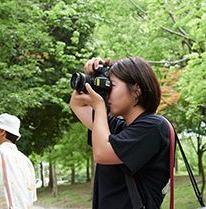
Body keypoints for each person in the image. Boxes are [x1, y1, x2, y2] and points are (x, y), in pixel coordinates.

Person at [69, 57, 175, 209]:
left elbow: (102, 154)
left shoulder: (154, 127)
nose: (106, 94)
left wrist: (99, 107)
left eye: (111, 86)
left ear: (136, 90)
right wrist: (93, 78)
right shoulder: (117, 128)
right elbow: (77, 103)